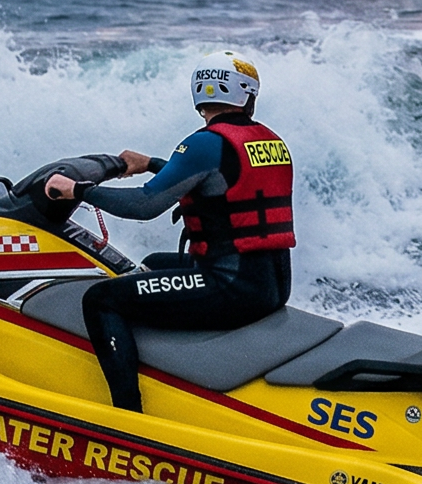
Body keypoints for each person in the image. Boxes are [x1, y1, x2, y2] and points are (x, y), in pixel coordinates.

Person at [43, 53, 297, 412]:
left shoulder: (205, 143)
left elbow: (144, 206)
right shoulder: (268, 141)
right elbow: (221, 180)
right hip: (271, 284)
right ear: (246, 96)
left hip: (230, 288)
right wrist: (150, 165)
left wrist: (77, 190)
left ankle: (128, 412)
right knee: (151, 263)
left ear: (201, 92)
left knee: (102, 299)